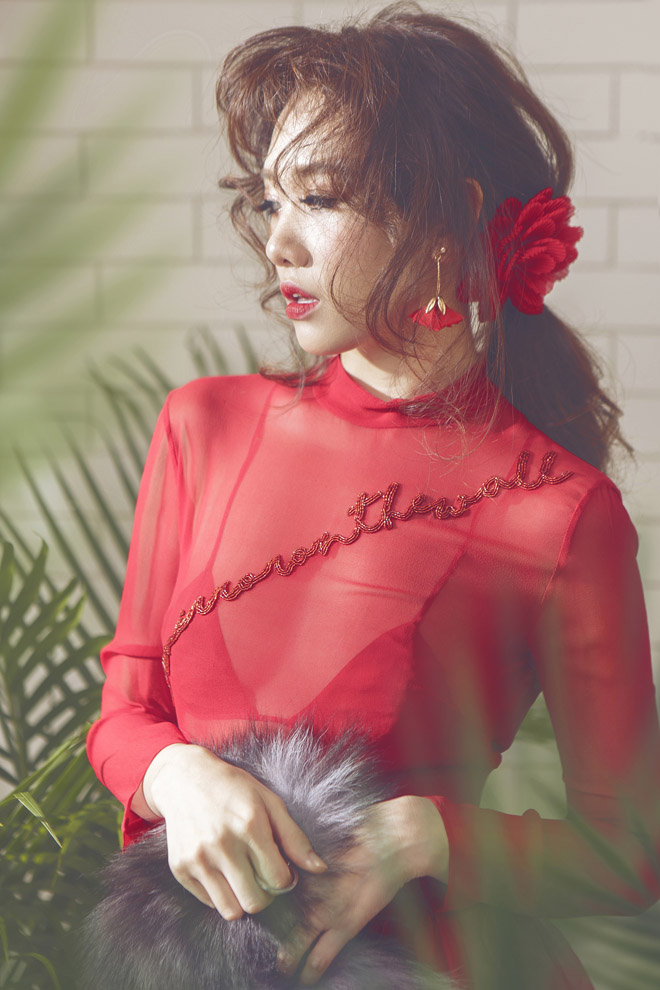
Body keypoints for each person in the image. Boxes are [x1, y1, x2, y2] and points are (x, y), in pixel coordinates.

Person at [86, 3, 660, 988]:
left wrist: (426, 836)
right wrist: (178, 776)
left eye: (318, 198)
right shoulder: (204, 426)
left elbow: (630, 850)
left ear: (447, 220)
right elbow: (126, 710)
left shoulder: (557, 512)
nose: (279, 243)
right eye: (269, 201)